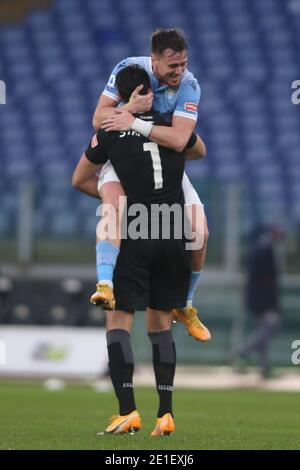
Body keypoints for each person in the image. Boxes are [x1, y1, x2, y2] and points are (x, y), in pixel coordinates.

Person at [73, 64, 210, 435]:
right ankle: (165, 413)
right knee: (160, 324)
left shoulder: (111, 130)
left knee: (119, 320)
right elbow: (195, 147)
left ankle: (127, 411)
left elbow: (78, 177)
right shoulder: (172, 126)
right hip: (170, 230)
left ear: (119, 95)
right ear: (152, 88)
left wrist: (114, 198)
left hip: (134, 229)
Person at [90, 28, 210, 338]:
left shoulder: (189, 85)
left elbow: (182, 139)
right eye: (173, 65)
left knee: (199, 232)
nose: (179, 71)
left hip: (164, 163)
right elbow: (97, 119)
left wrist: (135, 123)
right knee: (113, 208)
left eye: (183, 63)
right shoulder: (128, 69)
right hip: (126, 158)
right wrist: (128, 111)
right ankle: (105, 283)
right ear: (153, 60)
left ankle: (185, 303)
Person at [237, 225, 282, 379]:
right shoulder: (265, 247)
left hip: (257, 296)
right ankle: (244, 350)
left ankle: (265, 368)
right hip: (263, 298)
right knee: (270, 327)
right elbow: (266, 277)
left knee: (263, 330)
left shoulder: (259, 245)